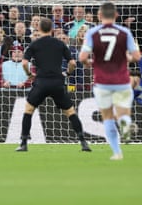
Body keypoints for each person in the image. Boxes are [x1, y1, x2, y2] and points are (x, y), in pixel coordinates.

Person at [16, 17, 91, 152]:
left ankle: (23, 143)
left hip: (41, 82)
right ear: (52, 29)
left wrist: (29, 75)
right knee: (70, 112)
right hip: (57, 83)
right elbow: (73, 63)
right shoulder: (60, 44)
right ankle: (83, 142)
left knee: (28, 110)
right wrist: (67, 74)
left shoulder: (34, 44)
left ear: (38, 29)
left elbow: (24, 63)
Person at [79, 2, 142, 160]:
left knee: (107, 117)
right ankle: (125, 123)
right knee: (122, 113)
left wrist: (90, 63)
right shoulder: (124, 32)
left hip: (102, 82)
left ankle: (117, 153)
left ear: (99, 15)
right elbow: (137, 57)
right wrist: (125, 57)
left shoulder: (92, 32)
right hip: (122, 81)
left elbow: (82, 58)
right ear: (116, 15)